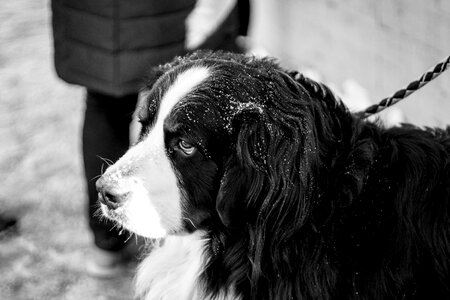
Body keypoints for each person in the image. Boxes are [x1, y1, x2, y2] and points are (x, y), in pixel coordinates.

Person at [51, 0, 250, 277]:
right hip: (158, 14)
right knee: (179, 113)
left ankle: (106, 248)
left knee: (106, 105)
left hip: (90, 15)